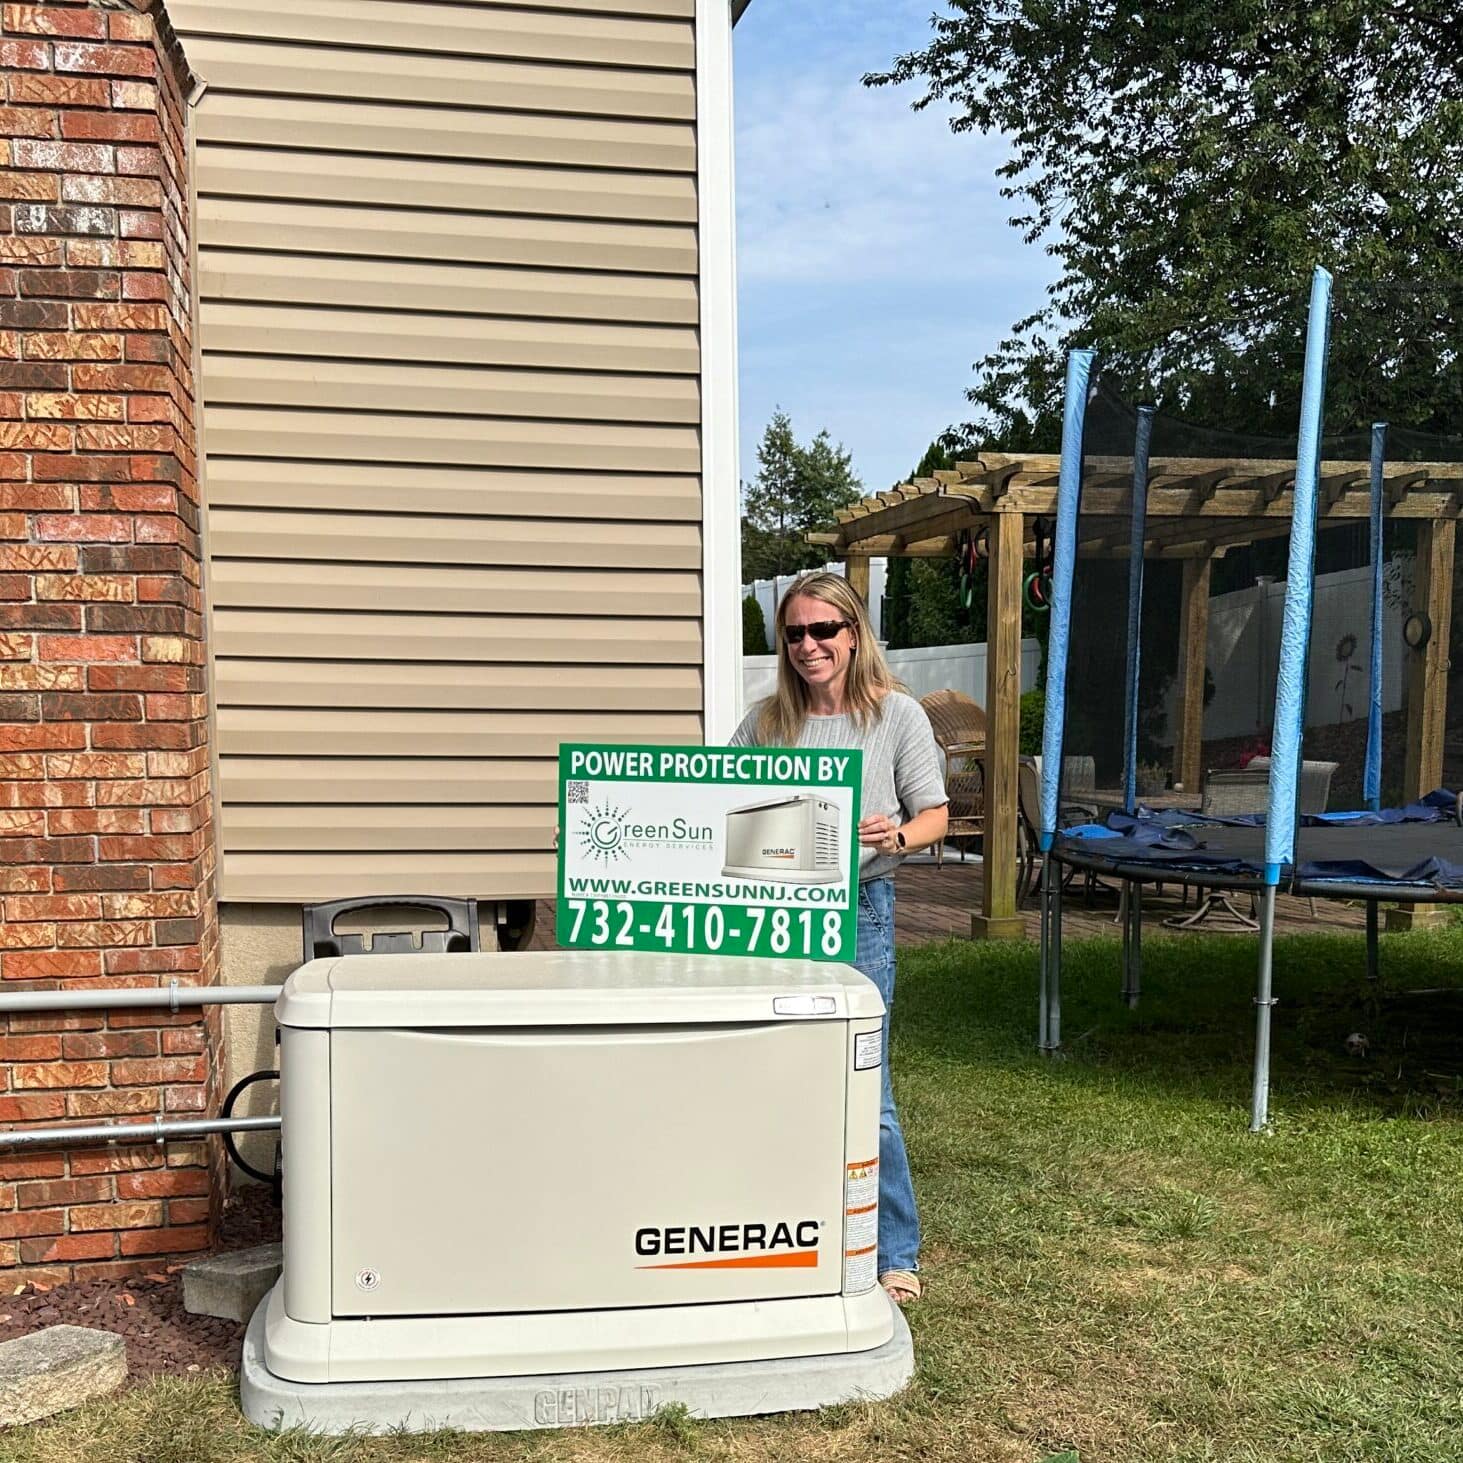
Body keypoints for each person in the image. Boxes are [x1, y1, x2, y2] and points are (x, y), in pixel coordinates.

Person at [729, 571, 948, 1305]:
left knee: (865, 1086)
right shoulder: (766, 722)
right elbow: (714, 805)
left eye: (823, 630)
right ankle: (781, 1231)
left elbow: (935, 816)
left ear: (853, 633)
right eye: (794, 633)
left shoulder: (896, 717)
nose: (808, 645)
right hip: (771, 918)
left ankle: (894, 1252)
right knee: (771, 1075)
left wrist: (900, 833)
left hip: (859, 909)